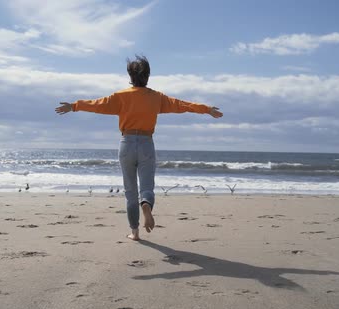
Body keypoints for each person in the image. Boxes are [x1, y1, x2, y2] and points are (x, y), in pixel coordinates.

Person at [55, 55, 223, 241]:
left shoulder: (120, 97)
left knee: (129, 191)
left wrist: (74, 106)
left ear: (130, 76)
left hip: (126, 143)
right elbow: (182, 105)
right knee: (147, 186)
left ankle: (134, 232)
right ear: (148, 76)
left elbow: (96, 105)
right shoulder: (157, 98)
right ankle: (146, 205)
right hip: (146, 143)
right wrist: (207, 109)